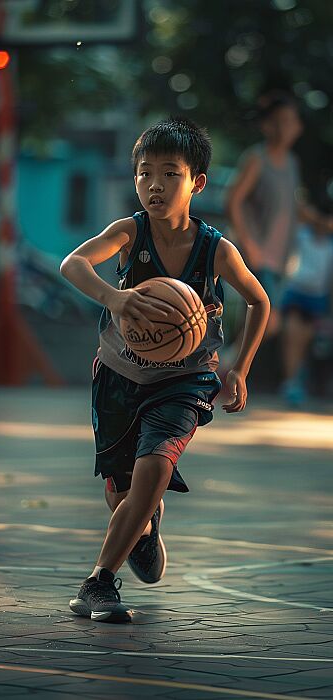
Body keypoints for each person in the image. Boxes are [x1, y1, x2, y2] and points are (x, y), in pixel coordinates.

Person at [60, 116, 270, 623]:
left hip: (185, 380)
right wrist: (115, 297)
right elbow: (73, 264)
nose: (155, 185)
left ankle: (98, 584)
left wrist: (239, 370)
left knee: (155, 465)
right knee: (121, 492)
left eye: (170, 174)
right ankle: (144, 527)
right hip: (118, 374)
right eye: (144, 173)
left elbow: (259, 302)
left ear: (196, 182)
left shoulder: (215, 248)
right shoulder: (129, 233)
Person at [226, 91, 330, 340]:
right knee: (267, 320)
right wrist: (248, 245)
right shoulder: (256, 159)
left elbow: (293, 206)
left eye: (291, 121)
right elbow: (232, 201)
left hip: (281, 259)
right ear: (266, 125)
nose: (286, 128)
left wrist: (319, 221)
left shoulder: (292, 162)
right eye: (280, 121)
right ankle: (227, 369)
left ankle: (227, 370)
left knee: (259, 323)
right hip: (258, 259)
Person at [280, 219, 333, 406]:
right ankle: (291, 384)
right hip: (297, 291)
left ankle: (295, 379)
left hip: (317, 297)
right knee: (292, 339)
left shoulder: (330, 244)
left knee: (303, 341)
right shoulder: (301, 234)